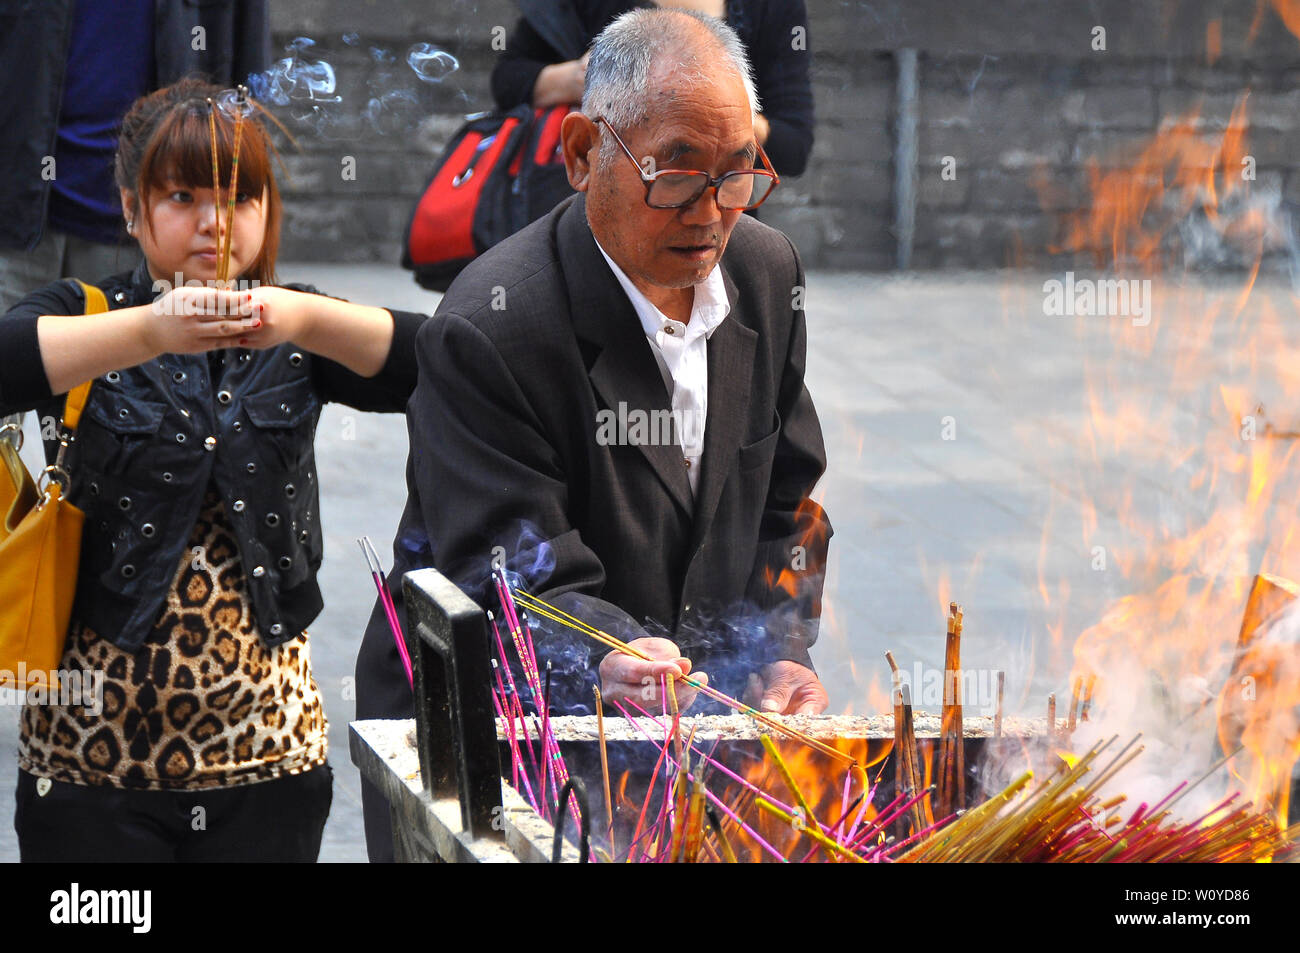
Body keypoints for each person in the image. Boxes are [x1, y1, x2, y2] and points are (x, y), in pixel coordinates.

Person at [357, 8, 831, 861]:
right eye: (676, 172)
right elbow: (505, 571)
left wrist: (780, 644)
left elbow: (788, 499)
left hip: (686, 729)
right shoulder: (493, 327)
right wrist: (607, 654)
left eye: (735, 175)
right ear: (582, 154)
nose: (713, 213)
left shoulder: (766, 273)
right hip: (503, 730)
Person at [0, 77, 426, 862]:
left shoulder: (296, 328)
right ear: (131, 207)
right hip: (91, 759)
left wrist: (299, 317)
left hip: (265, 752)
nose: (214, 223)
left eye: (240, 197)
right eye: (183, 196)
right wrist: (152, 330)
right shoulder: (89, 312)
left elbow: (438, 365)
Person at [491, 0, 815, 179]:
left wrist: (723, 108)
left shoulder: (773, 8)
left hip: (717, 223)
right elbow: (509, 80)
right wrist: (582, 77)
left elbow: (793, 148)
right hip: (592, 208)